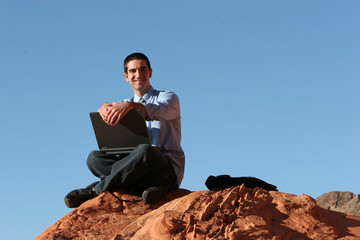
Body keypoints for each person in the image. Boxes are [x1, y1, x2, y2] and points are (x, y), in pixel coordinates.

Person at [65, 53, 185, 207]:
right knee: (93, 157)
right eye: (133, 71)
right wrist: (102, 108)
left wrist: (133, 106)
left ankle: (96, 189)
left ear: (150, 72)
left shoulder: (168, 97)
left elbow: (158, 110)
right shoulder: (122, 105)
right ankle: (144, 188)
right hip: (134, 168)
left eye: (143, 70)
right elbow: (106, 112)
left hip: (164, 169)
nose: (138, 75)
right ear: (126, 76)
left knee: (144, 151)